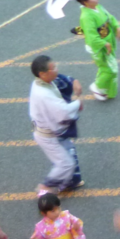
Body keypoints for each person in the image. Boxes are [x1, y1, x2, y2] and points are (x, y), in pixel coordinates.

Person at [29, 54, 85, 194]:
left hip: (52, 131)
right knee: (66, 164)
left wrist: (74, 81)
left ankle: (69, 182)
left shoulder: (42, 81)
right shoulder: (43, 94)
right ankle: (45, 187)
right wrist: (78, 102)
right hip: (48, 135)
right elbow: (63, 113)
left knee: (69, 154)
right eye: (53, 68)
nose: (57, 70)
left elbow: (61, 78)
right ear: (42, 74)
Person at [77, 0, 120, 101]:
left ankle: (106, 89)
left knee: (104, 66)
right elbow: (92, 36)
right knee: (111, 69)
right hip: (100, 47)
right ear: (86, 2)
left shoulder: (98, 7)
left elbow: (109, 17)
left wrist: (117, 27)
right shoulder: (86, 17)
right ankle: (98, 87)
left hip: (107, 42)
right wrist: (104, 44)